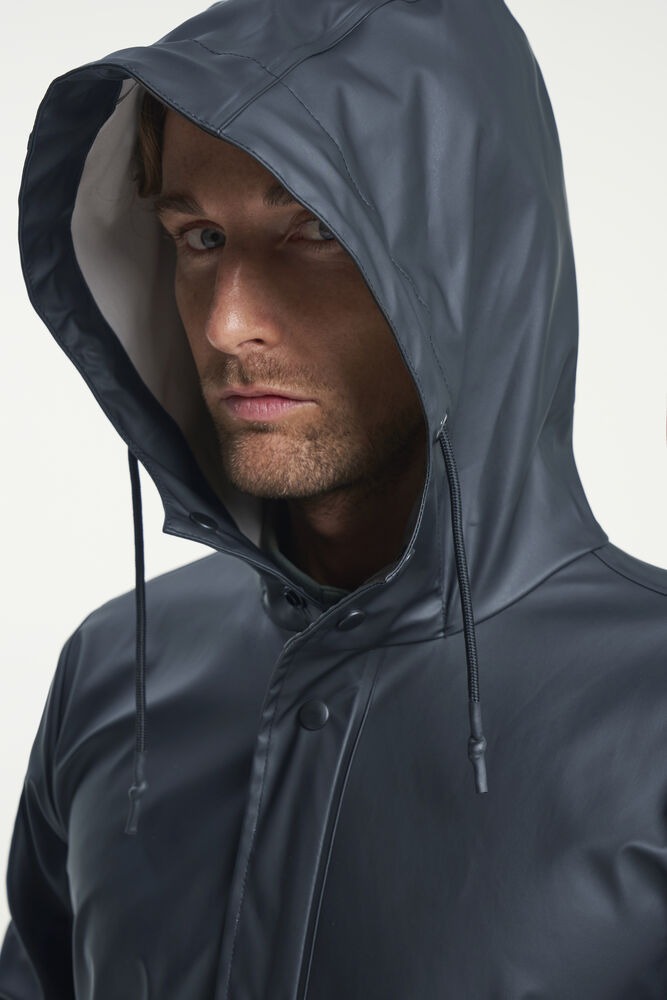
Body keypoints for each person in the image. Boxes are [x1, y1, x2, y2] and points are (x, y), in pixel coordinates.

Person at [1, 0, 665, 996]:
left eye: (312, 228)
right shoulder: (114, 671)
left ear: (470, 264)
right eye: (199, 236)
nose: (226, 323)